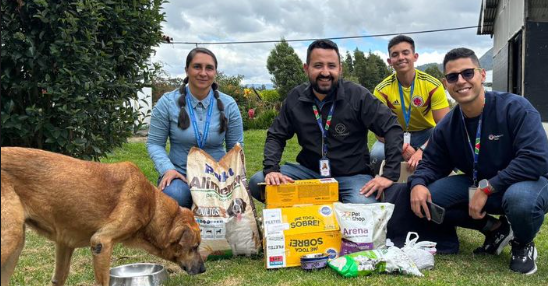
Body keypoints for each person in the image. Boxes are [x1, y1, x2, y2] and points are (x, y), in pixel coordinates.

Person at [406, 47, 548, 274]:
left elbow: (536, 160)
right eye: (453, 77)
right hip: (483, 186)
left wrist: (487, 188)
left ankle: (522, 242)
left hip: (534, 181)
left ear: (482, 75)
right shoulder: (447, 126)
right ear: (446, 84)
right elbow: (432, 163)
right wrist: (418, 183)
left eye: (467, 73)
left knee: (519, 200)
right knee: (431, 197)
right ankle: (495, 229)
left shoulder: (515, 107)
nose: (461, 81)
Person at [247, 39, 403, 203]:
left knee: (363, 207)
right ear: (306, 68)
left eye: (331, 66)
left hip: (352, 176)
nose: (325, 72)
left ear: (340, 69)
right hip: (309, 173)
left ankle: (327, 203)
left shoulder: (358, 96)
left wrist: (389, 174)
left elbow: (392, 127)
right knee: (259, 182)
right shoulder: (295, 98)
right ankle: (318, 205)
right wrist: (272, 169)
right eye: (318, 65)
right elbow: (276, 135)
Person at [147, 47, 244, 208]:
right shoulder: (167, 102)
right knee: (174, 195)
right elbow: (154, 144)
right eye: (197, 66)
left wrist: (229, 178)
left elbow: (237, 148)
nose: (203, 73)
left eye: (209, 68)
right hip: (180, 175)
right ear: (187, 70)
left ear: (215, 72)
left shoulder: (229, 104)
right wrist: (168, 170)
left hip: (218, 176)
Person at [371, 35, 449, 174]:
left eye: (405, 52)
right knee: (376, 154)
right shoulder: (381, 90)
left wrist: (422, 150)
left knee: (450, 149)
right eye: (395, 54)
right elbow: (379, 131)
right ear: (389, 61)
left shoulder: (432, 85)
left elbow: (444, 126)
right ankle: (381, 189)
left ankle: (439, 186)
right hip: (395, 135)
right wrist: (402, 147)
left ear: (415, 56)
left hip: (427, 134)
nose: (401, 57)